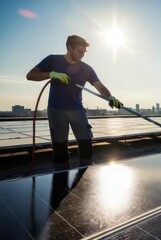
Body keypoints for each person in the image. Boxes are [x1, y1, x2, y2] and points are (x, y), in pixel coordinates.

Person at [26, 35, 123, 170]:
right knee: (59, 148)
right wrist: (52, 74)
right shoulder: (53, 60)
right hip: (56, 111)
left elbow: (99, 85)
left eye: (84, 52)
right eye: (80, 51)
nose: (83, 55)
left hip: (77, 110)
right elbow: (30, 75)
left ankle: (86, 174)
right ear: (69, 48)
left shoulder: (86, 68)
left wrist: (110, 97)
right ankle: (61, 180)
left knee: (86, 144)